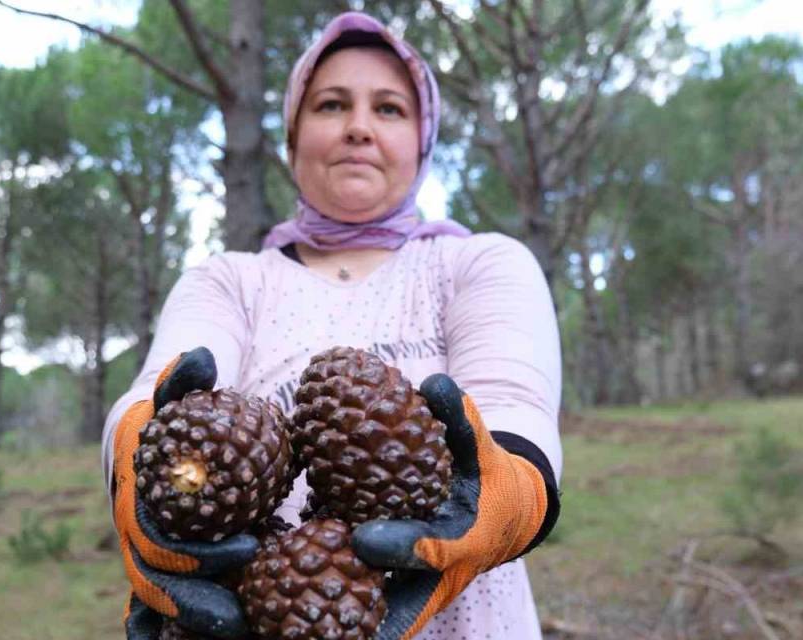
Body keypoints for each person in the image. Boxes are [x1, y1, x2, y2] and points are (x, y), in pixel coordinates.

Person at [101, 12, 562, 639]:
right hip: (266, 608)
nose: (358, 128)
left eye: (391, 109)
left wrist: (509, 494)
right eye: (331, 105)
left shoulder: (475, 263)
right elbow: (158, 389)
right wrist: (137, 457)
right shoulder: (229, 279)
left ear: (423, 139)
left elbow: (517, 401)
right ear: (293, 137)